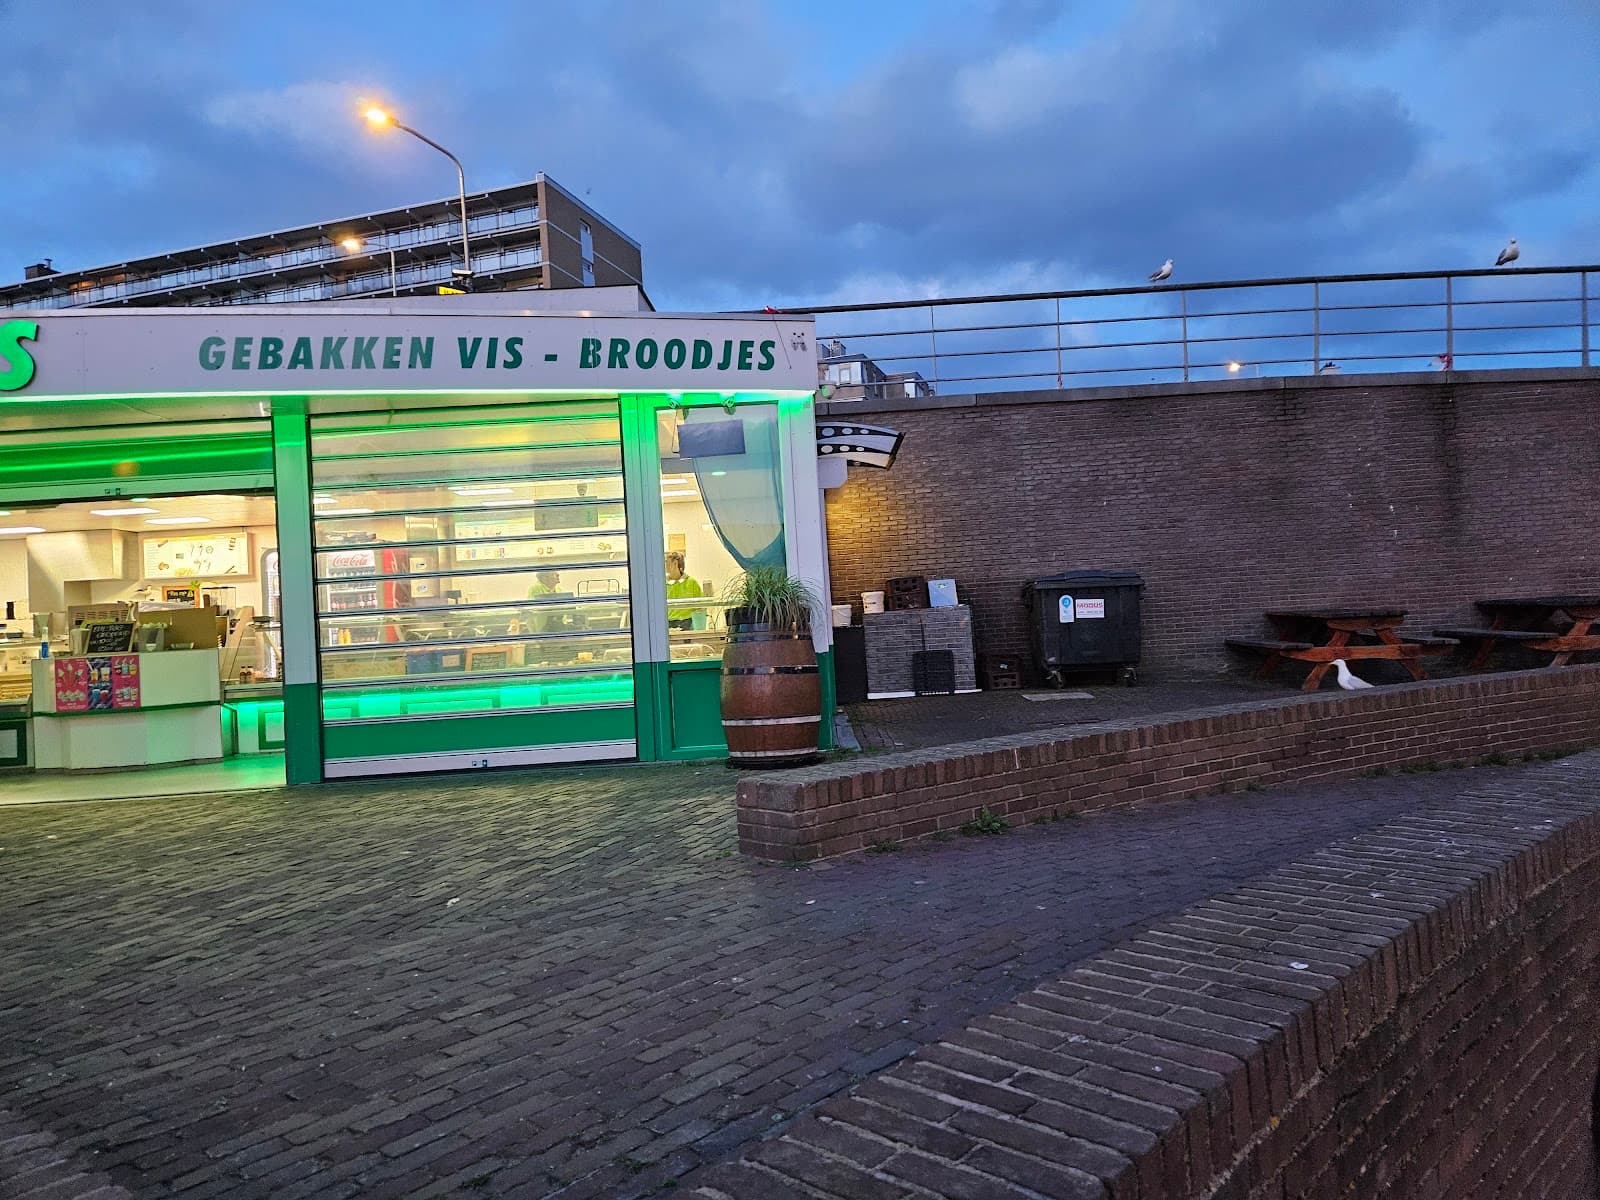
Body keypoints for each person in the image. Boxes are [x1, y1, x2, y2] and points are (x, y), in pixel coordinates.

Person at [665, 552, 704, 631]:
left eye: (666, 562)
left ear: (675, 563)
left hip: (688, 623)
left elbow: (700, 607)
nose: (665, 565)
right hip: (668, 623)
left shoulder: (692, 582)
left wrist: (699, 629)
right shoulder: (662, 584)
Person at [526, 570, 563, 634]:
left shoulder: (559, 589)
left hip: (559, 628)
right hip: (542, 631)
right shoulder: (535, 588)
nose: (558, 574)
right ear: (544, 578)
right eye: (553, 574)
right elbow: (530, 613)